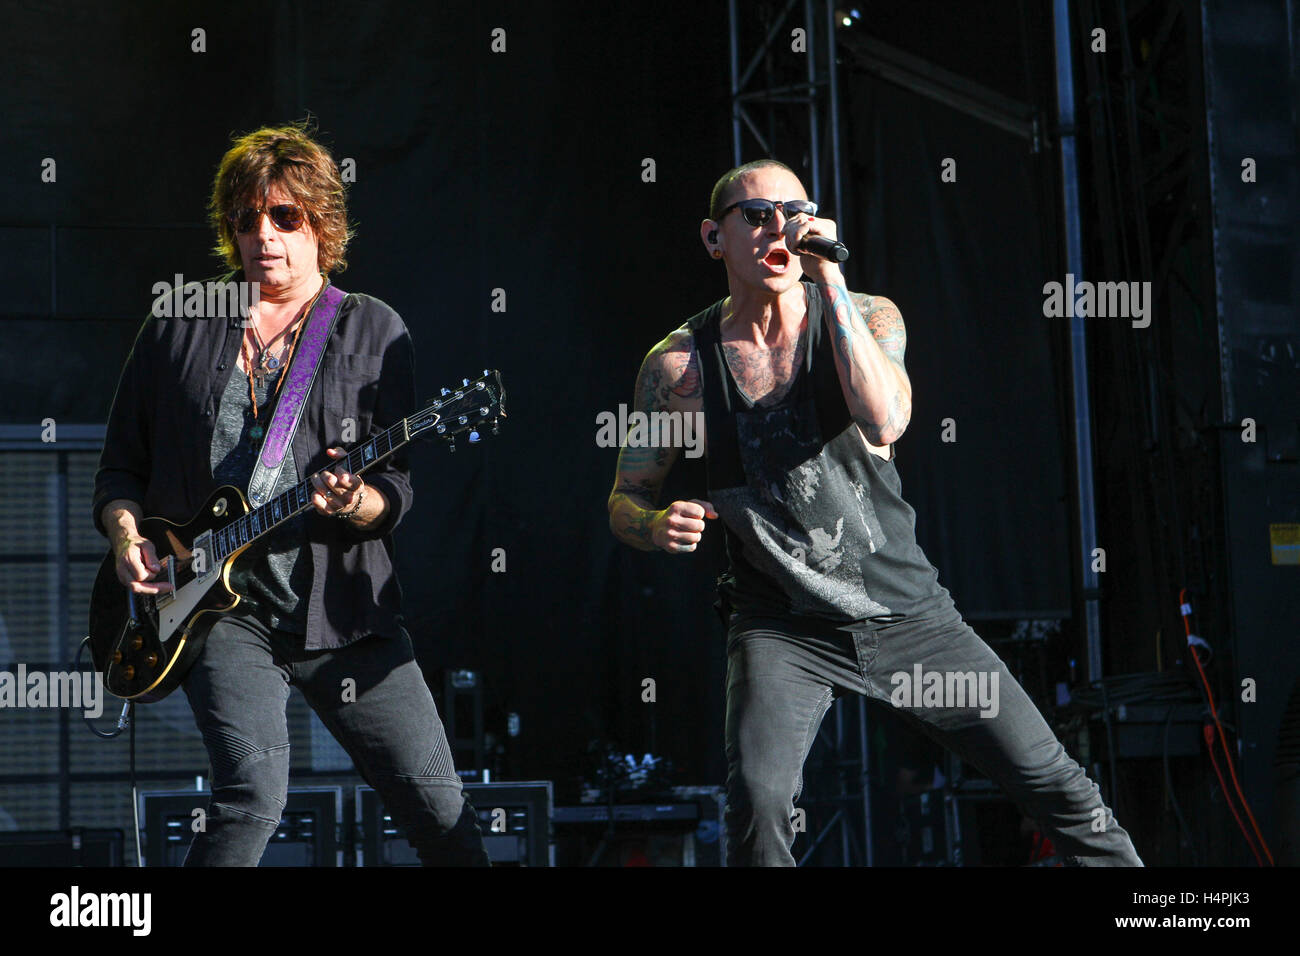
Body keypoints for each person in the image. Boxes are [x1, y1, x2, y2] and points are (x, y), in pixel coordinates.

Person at [607, 158, 1142, 867]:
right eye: (757, 215)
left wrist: (828, 278)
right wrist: (653, 525)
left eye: (795, 214)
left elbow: (886, 419)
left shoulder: (869, 315)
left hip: (906, 613)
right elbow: (627, 496)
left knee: (1054, 784)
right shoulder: (680, 368)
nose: (778, 228)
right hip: (781, 624)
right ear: (714, 238)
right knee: (759, 804)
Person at [93, 122, 489, 866]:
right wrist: (126, 538)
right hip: (216, 611)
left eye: (284, 216)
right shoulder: (177, 322)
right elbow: (121, 469)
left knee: (441, 811)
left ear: (322, 224)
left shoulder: (373, 329)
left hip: (344, 609)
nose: (263, 235)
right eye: (246, 219)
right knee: (249, 796)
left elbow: (394, 491)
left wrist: (354, 502)